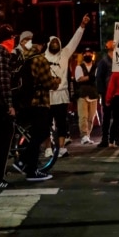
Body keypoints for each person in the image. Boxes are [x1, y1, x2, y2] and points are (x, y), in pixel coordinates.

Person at [14, 33, 61, 181]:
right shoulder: (40, 59)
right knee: (40, 134)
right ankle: (27, 166)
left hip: (25, 102)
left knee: (34, 134)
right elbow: (48, 83)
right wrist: (57, 81)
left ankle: (27, 165)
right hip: (39, 102)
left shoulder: (23, 57)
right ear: (42, 45)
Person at [44, 14, 90, 158]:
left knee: (61, 123)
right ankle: (48, 148)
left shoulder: (64, 54)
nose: (55, 44)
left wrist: (82, 26)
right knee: (46, 124)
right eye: (52, 43)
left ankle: (61, 147)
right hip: (47, 95)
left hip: (62, 94)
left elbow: (74, 41)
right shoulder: (42, 57)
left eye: (57, 42)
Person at [0, 24, 17, 188]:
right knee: (3, 138)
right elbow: (3, 80)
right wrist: (9, 104)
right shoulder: (2, 52)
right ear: (10, 39)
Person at [75, 48, 98, 145]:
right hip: (82, 94)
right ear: (83, 55)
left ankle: (88, 135)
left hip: (93, 95)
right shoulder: (79, 67)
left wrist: (88, 78)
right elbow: (79, 79)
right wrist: (91, 77)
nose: (88, 55)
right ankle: (84, 135)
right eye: (86, 53)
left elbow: (97, 77)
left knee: (91, 117)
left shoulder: (96, 67)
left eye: (90, 53)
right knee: (83, 116)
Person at [96, 40, 115, 147]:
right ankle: (105, 138)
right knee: (107, 116)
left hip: (117, 92)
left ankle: (115, 138)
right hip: (107, 92)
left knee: (117, 117)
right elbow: (99, 78)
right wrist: (102, 92)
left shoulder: (118, 59)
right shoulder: (103, 61)